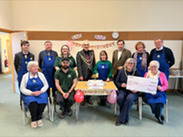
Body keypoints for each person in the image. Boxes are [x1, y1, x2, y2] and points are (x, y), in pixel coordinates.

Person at [20, 61, 48, 128]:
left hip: (40, 92)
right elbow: (22, 88)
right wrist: (31, 93)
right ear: (29, 68)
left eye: (36, 66)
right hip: (29, 94)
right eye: (33, 66)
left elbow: (46, 85)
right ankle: (33, 119)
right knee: (33, 104)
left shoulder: (41, 75)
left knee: (43, 101)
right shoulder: (25, 76)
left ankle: (39, 117)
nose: (36, 67)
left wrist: (41, 92)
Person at [115, 58, 140, 126]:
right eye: (128, 63)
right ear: (126, 64)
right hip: (123, 90)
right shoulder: (122, 72)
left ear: (134, 65)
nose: (130, 64)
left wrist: (136, 89)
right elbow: (116, 82)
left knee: (129, 99)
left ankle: (120, 119)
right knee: (120, 98)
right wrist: (121, 85)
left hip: (133, 92)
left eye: (131, 63)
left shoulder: (137, 73)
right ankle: (126, 116)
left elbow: (140, 84)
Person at [76, 40, 96, 105]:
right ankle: (83, 99)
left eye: (87, 45)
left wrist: (94, 72)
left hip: (91, 73)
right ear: (82, 46)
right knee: (83, 87)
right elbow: (78, 65)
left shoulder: (92, 53)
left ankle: (88, 98)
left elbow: (94, 63)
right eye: (85, 45)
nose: (86, 46)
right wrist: (80, 75)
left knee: (90, 87)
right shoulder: (79, 54)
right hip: (83, 73)